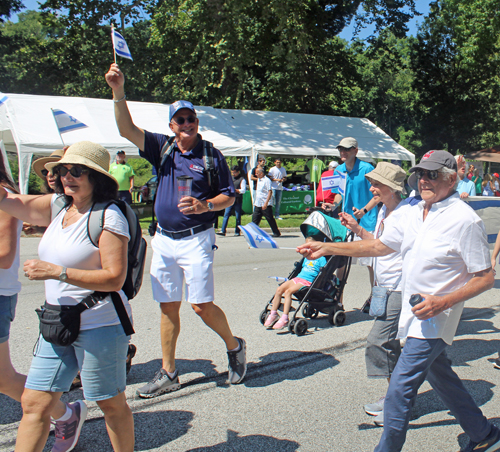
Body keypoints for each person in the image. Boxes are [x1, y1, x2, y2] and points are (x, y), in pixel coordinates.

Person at [297, 150, 500, 452]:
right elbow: (379, 246)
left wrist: (443, 302)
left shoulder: (464, 220)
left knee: (399, 391)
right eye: (421, 174)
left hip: (435, 317)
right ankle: (483, 433)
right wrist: (327, 246)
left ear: (452, 178)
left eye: (433, 174)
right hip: (412, 312)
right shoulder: (414, 211)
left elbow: (484, 277)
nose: (424, 181)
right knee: (440, 375)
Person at [105, 63, 247, 399]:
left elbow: (229, 195)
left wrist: (205, 206)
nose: (186, 124)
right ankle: (169, 372)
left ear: (197, 123)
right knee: (168, 306)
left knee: (200, 305)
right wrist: (118, 90)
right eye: (180, 120)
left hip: (197, 239)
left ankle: (234, 345)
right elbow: (126, 128)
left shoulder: (212, 154)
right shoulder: (162, 147)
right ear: (172, 125)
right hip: (164, 240)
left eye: (191, 119)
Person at [0, 141, 135, 452]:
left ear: (96, 177)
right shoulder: (60, 206)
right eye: (63, 170)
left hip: (100, 323)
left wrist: (56, 272)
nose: (67, 177)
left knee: (110, 404)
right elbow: (10, 201)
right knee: (35, 404)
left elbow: (114, 278)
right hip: (58, 321)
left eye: (78, 171)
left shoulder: (108, 215)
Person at [339, 162, 408, 427]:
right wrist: (357, 230)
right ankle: (396, 397)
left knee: (379, 342)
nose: (371, 188)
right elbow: (375, 242)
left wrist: (329, 247)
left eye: (377, 184)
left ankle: (397, 405)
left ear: (392, 188)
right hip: (382, 287)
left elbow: (379, 249)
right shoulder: (384, 211)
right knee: (389, 345)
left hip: (398, 288)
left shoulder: (403, 214)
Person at [324, 137, 378, 310]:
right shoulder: (339, 170)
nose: (343, 152)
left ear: (356, 150)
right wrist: (333, 204)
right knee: (342, 263)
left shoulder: (367, 168)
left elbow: (378, 195)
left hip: (367, 222)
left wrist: (364, 210)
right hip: (346, 222)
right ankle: (338, 300)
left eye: (347, 149)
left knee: (371, 265)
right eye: (341, 149)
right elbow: (339, 194)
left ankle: (375, 298)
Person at [264, 238, 326, 330]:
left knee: (289, 292)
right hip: (298, 278)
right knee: (279, 289)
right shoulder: (306, 257)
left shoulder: (321, 258)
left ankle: (285, 318)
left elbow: (324, 272)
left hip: (307, 281)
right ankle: (273, 313)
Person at [217, 165, 246, 237]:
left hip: (237, 199)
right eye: (232, 172)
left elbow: (243, 190)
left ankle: (237, 231)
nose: (233, 174)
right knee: (226, 214)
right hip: (229, 199)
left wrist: (236, 190)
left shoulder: (242, 179)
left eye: (235, 173)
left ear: (238, 172)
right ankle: (223, 230)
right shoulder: (230, 178)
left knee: (237, 216)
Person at [252, 167, 281, 237]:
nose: (256, 174)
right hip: (258, 203)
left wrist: (266, 203)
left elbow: (270, 191)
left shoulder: (267, 180)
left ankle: (276, 232)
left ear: (261, 173)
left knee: (269, 218)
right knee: (255, 218)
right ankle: (252, 232)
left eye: (257, 173)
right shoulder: (259, 180)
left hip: (265, 203)